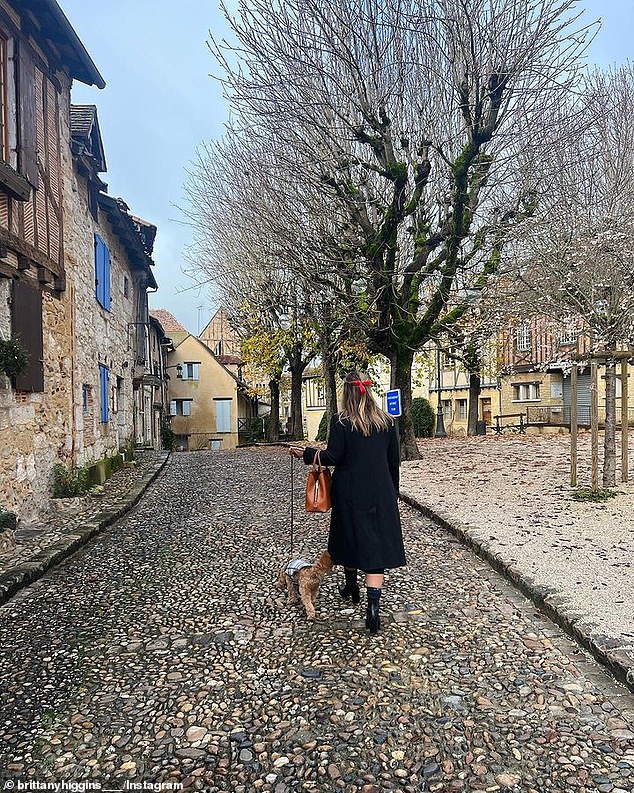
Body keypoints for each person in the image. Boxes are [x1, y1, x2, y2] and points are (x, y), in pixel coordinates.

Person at [289, 372, 406, 633]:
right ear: (369, 391)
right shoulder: (387, 422)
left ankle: (352, 585)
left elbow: (333, 456)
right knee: (374, 551)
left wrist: (307, 453)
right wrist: (393, 494)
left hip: (350, 494)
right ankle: (372, 610)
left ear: (347, 393)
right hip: (380, 494)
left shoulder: (341, 422)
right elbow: (393, 463)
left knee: (351, 539)